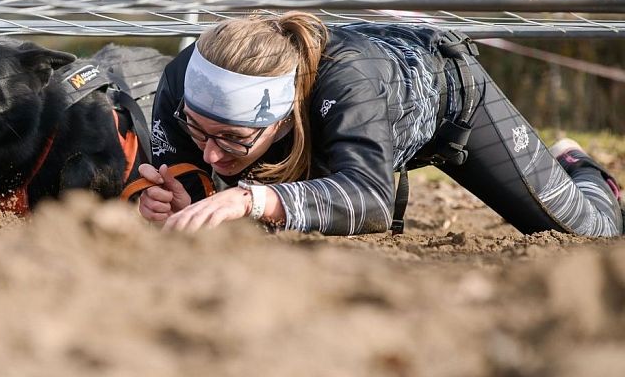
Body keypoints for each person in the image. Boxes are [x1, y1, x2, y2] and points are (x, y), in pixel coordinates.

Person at [136, 12, 624, 237]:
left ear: (284, 116)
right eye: (198, 130)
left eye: (234, 139)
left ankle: (578, 166)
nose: (212, 155)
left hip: (451, 103)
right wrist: (180, 197)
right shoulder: (186, 78)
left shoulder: (349, 87)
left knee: (590, 231)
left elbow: (370, 201)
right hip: (349, 118)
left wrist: (253, 196)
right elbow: (189, 183)